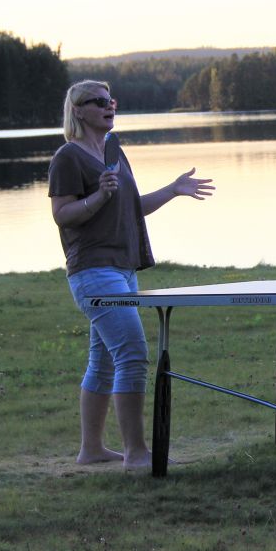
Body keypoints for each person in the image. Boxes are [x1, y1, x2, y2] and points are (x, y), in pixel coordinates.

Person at [48, 80, 214, 469]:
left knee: (103, 360)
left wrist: (173, 190)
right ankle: (136, 452)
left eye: (112, 101)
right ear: (79, 111)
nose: (110, 107)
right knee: (133, 354)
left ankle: (91, 450)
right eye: (100, 102)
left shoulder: (112, 152)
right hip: (92, 270)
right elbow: (62, 214)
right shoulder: (68, 157)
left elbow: (131, 207)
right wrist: (98, 197)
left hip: (123, 270)